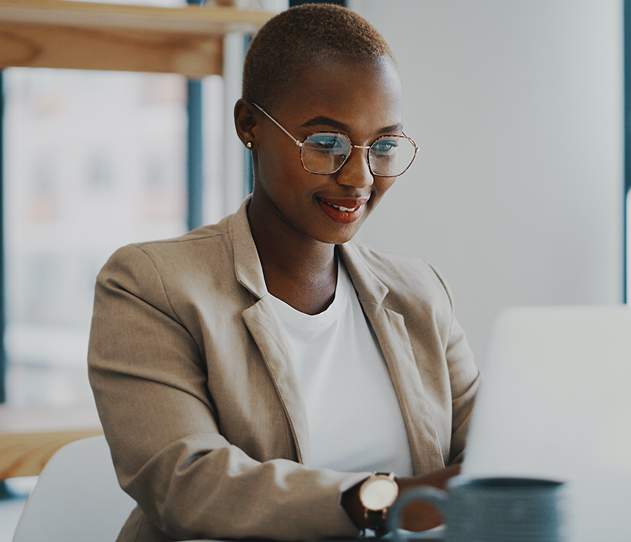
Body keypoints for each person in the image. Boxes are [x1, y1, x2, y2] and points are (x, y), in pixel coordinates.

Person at [88, 4, 479, 541]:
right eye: (325, 144)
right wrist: (384, 500)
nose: (358, 177)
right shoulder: (150, 285)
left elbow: (489, 455)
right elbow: (187, 484)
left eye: (383, 146)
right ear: (249, 125)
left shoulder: (419, 294)